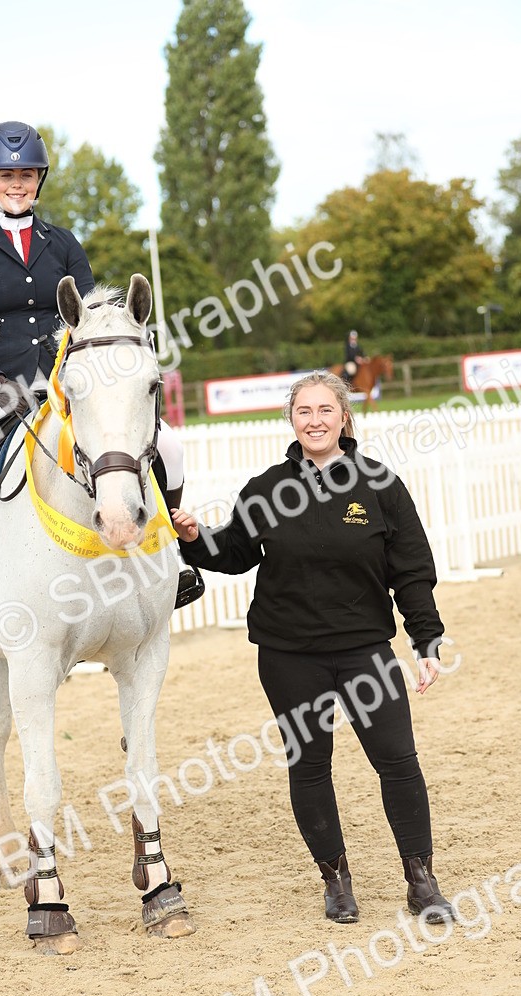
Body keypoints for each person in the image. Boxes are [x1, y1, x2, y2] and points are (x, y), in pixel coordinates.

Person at [171, 370, 454, 926]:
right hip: (288, 653)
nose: (316, 420)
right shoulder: (267, 488)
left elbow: (412, 570)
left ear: (344, 417)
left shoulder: (380, 485)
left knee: (398, 763)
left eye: (326, 410)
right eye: (305, 411)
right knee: (310, 766)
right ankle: (336, 882)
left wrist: (426, 639)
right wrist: (194, 537)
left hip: (365, 651)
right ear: (292, 421)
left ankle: (422, 883)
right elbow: (233, 552)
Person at [0, 120, 195, 636]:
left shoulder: (63, 242)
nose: (17, 184)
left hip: (60, 385)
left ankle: (167, 556)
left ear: (39, 180)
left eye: (27, 174)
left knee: (167, 447)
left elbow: (90, 317)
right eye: (5, 175)